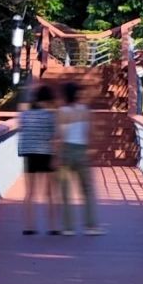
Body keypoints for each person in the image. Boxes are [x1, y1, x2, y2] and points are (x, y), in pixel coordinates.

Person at [55, 79, 100, 235]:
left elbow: (61, 135)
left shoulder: (62, 111)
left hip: (67, 150)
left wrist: (57, 155)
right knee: (87, 190)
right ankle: (91, 226)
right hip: (81, 150)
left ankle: (68, 227)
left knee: (66, 191)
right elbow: (90, 132)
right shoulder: (85, 110)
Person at [17, 83, 58, 234]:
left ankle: (29, 226)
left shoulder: (25, 115)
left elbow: (23, 132)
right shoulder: (50, 116)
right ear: (48, 100)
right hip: (46, 153)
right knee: (49, 193)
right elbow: (53, 136)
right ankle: (53, 227)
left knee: (29, 193)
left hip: (29, 153)